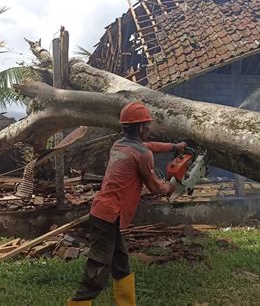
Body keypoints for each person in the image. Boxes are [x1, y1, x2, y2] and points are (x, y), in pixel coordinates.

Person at [68, 102, 186, 306]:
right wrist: (172, 186)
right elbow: (156, 188)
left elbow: (149, 146)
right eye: (147, 125)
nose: (150, 128)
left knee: (121, 263)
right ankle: (79, 303)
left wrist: (174, 147)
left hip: (104, 212)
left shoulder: (119, 145)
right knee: (98, 268)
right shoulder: (141, 154)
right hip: (109, 215)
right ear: (140, 128)